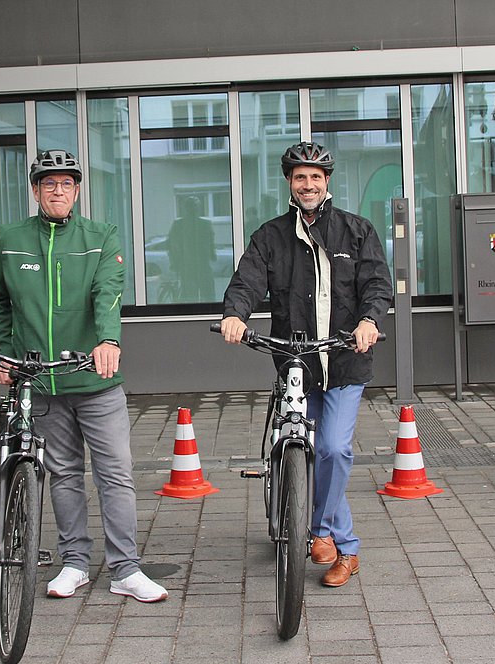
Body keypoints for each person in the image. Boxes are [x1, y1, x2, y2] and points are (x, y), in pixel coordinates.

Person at [0, 149, 168, 603]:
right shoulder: (10, 238)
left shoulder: (100, 236)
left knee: (115, 474)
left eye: (66, 183)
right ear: (36, 190)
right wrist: (6, 355)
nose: (58, 190)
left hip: (95, 380)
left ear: (78, 190)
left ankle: (125, 568)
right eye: (49, 183)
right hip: (42, 381)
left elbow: (109, 292)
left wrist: (108, 340)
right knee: (63, 474)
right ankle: (74, 563)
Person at [219, 141, 392, 588]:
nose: (308, 184)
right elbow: (248, 281)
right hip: (296, 364)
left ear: (327, 182)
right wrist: (235, 315)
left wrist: (370, 320)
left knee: (333, 449)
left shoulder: (357, 231)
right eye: (300, 177)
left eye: (316, 176)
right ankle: (346, 547)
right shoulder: (270, 236)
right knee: (309, 453)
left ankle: (317, 531)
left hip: (345, 360)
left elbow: (377, 284)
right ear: (290, 183)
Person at [165, 196, 215, 301]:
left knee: (197, 295)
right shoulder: (204, 224)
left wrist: (174, 262)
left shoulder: (180, 224)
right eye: (193, 208)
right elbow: (171, 244)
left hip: (194, 266)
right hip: (192, 266)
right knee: (199, 295)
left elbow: (171, 244)